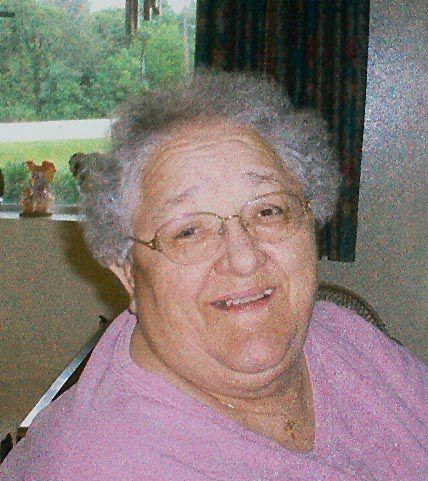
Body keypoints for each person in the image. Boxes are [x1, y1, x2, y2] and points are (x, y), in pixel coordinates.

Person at [2, 71, 426, 480]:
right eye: (188, 231)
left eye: (268, 210)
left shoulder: (348, 338)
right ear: (128, 272)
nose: (244, 259)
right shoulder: (93, 465)